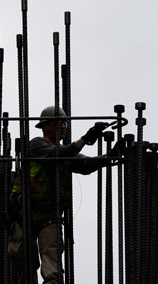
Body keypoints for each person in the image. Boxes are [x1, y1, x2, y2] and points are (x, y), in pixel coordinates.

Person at [7, 106, 125, 284]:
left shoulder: (65, 153)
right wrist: (86, 138)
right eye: (59, 122)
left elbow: (86, 164)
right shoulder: (37, 145)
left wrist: (110, 156)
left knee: (53, 270)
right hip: (26, 213)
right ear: (46, 126)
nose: (63, 126)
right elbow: (58, 154)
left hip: (50, 215)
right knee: (24, 265)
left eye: (65, 123)